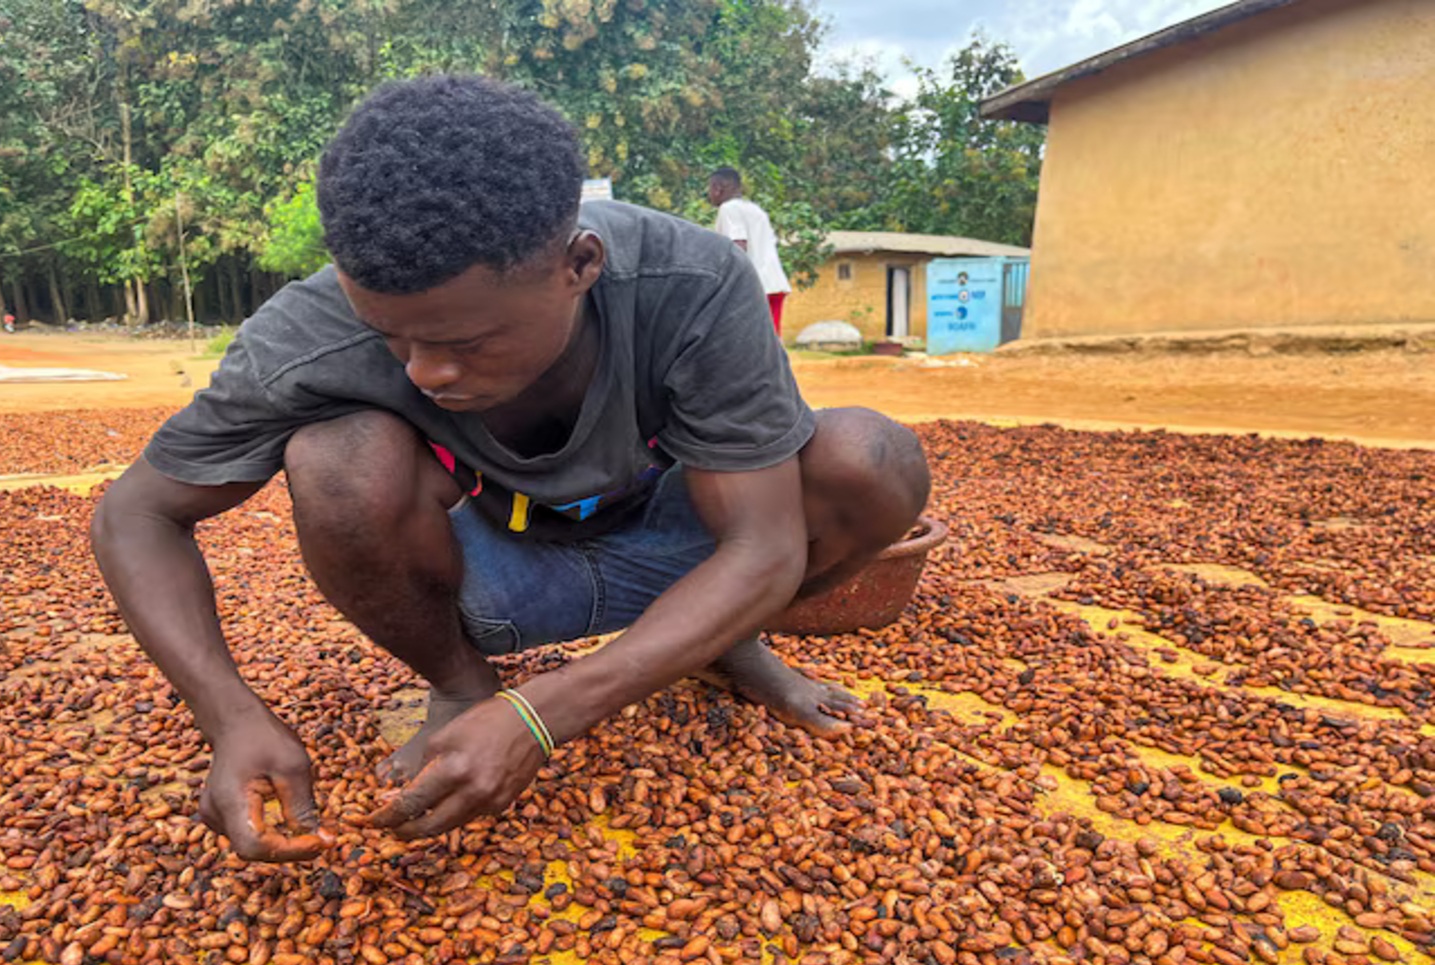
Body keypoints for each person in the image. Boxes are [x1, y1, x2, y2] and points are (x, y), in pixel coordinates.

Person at [92, 76, 930, 862]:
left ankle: (727, 638)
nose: (423, 372)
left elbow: (763, 545)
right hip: (498, 568)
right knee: (335, 457)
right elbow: (136, 513)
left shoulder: (691, 281)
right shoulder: (307, 330)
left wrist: (539, 715)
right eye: (388, 334)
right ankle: (459, 683)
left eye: (463, 342)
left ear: (580, 265)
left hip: (689, 543)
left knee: (870, 457)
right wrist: (230, 716)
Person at [707, 167, 791, 334]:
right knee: (770, 341)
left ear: (718, 188)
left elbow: (738, 246)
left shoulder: (728, 208)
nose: (709, 193)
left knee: (747, 343)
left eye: (710, 188)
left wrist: (728, 285)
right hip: (774, 284)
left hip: (754, 287)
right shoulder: (755, 210)